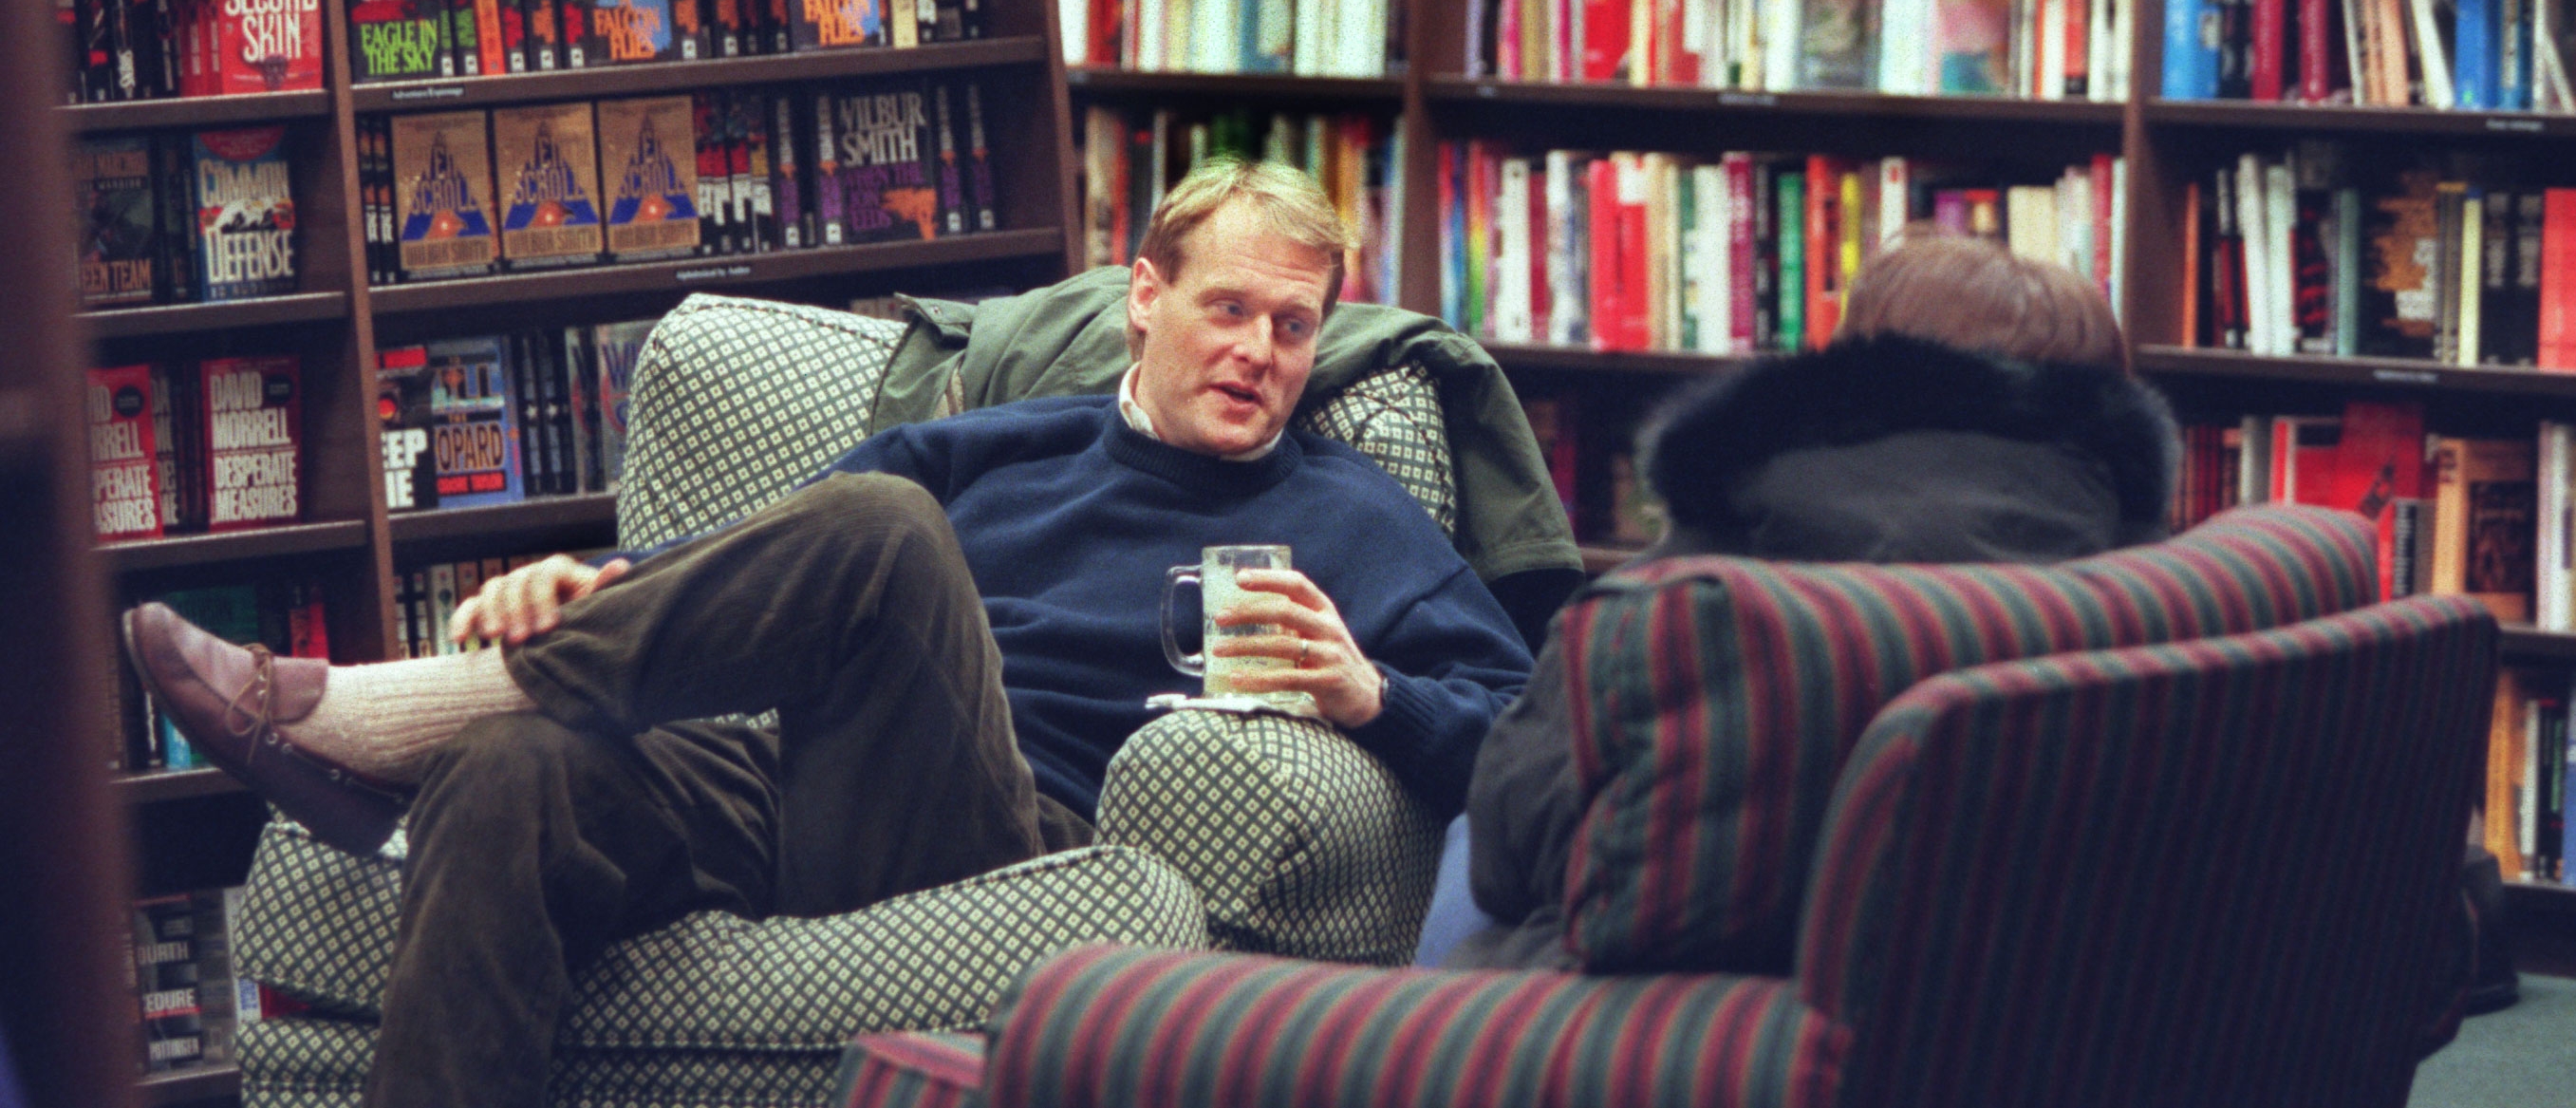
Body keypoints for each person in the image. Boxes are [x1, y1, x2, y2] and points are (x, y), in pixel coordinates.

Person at [126, 160, 1535, 1108]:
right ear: (1144, 300)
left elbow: (1533, 744)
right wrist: (598, 574)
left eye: (1293, 327)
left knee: (881, 528)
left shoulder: (1352, 518)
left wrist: (1371, 693)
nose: (1257, 352)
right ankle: (463, 725)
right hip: (793, 776)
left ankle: (384, 720)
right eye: (1227, 308)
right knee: (517, 775)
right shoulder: (996, 444)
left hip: (1007, 828)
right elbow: (759, 562)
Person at [1427, 232, 2178, 969]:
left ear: (1852, 365)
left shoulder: (1682, 595)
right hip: (2026, 985)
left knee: (1466, 832)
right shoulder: (2147, 597)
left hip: (1686, 1010)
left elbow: (1510, 841)